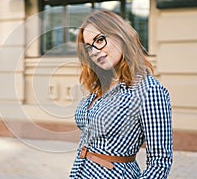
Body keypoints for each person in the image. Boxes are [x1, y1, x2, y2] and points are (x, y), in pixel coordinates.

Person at [69, 10, 173, 178]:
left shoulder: (148, 90)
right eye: (89, 47)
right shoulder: (100, 86)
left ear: (121, 36)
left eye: (100, 40)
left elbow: (160, 163)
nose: (94, 51)